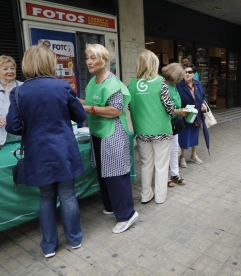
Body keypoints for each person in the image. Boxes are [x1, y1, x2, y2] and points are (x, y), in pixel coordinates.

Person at [6, 45, 86, 258]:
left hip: (37, 151)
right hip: (63, 149)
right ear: (50, 63)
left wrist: (31, 124)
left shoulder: (19, 91)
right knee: (68, 195)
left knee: (46, 197)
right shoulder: (62, 87)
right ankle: (75, 239)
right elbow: (79, 116)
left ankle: (49, 246)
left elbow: (13, 127)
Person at [81, 44, 138, 234]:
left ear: (104, 60)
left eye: (93, 58)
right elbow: (88, 103)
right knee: (103, 172)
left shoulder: (113, 83)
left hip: (113, 133)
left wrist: (89, 109)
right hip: (97, 132)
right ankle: (111, 205)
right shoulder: (92, 82)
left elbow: (116, 110)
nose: (89, 61)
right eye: (88, 57)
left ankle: (127, 215)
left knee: (115, 174)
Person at [129, 50, 176, 204]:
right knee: (161, 165)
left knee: (146, 163)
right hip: (161, 130)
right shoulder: (160, 82)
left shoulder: (132, 83)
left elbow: (130, 106)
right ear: (154, 64)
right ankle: (160, 197)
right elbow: (169, 108)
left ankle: (145, 194)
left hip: (142, 131)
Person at [161, 63, 188, 187]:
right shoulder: (164, 86)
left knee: (174, 150)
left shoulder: (174, 85)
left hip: (174, 123)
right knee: (165, 151)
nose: (180, 80)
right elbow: (164, 108)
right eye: (179, 78)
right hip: (166, 123)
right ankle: (165, 177)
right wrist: (179, 111)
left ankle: (175, 174)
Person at [177, 63, 209, 167]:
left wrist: (203, 105)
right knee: (183, 135)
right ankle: (182, 157)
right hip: (185, 115)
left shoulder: (198, 84)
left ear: (194, 73)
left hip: (196, 115)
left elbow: (203, 98)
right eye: (185, 72)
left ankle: (193, 155)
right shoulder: (179, 85)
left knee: (195, 135)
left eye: (189, 72)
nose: (187, 74)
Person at [0, 55, 22, 150]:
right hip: (2, 141)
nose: (10, 71)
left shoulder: (24, 87)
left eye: (12, 68)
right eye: (5, 68)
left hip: (23, 137)